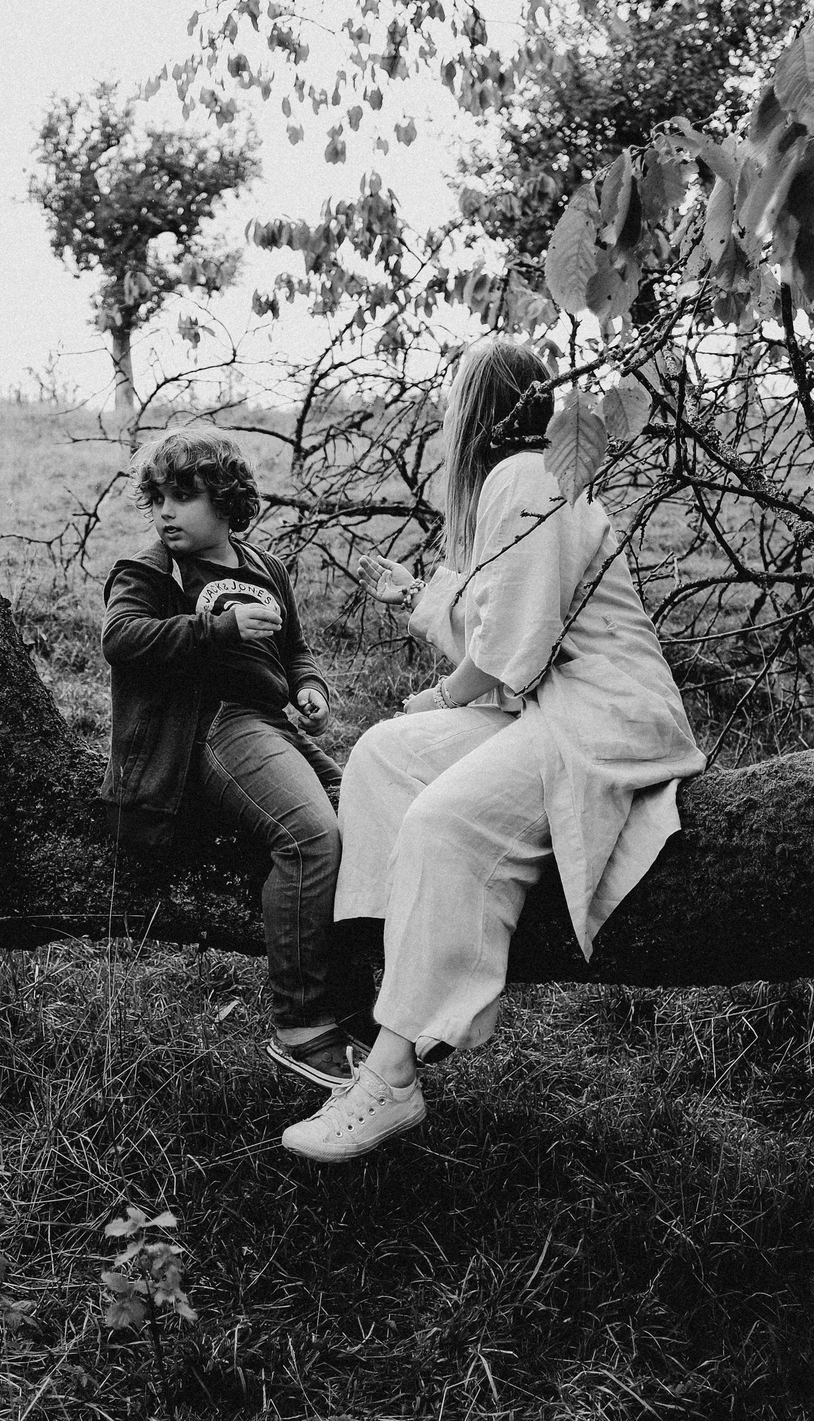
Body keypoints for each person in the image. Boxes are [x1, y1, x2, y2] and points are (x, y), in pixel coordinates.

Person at [282, 338, 706, 1162]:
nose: (446, 418)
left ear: (482, 410)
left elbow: (512, 646)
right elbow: (495, 623)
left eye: (454, 403)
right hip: (545, 703)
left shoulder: (529, 476)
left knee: (444, 821)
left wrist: (444, 694)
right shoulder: (518, 487)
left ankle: (394, 1074)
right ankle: (393, 983)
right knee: (380, 756)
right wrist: (419, 601)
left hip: (603, 712)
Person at [100, 427, 371, 1088]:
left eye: (183, 496)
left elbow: (295, 648)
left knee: (363, 818)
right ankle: (302, 1026)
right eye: (158, 496)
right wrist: (214, 628)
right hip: (213, 727)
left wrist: (309, 688)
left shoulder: (262, 568)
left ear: (226, 499)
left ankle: (361, 1009)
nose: (166, 510)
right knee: (310, 837)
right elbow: (121, 637)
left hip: (275, 724)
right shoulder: (155, 571)